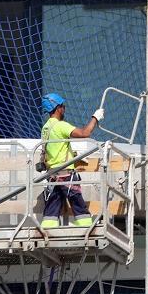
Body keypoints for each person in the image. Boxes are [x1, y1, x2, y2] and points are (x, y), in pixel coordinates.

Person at [39, 93, 103, 228]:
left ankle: (48, 231)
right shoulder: (60, 126)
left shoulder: (45, 128)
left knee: (52, 207)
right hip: (66, 174)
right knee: (78, 205)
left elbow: (55, 148)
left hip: (52, 175)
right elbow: (85, 133)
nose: (64, 109)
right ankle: (85, 228)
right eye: (63, 106)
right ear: (58, 108)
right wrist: (95, 118)